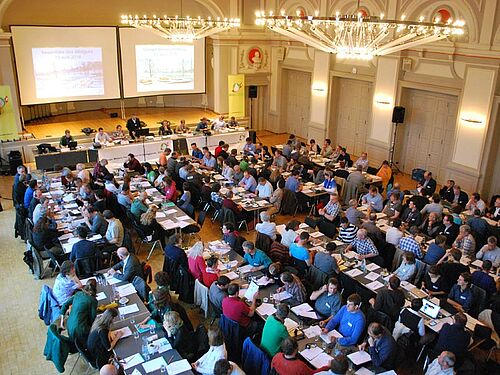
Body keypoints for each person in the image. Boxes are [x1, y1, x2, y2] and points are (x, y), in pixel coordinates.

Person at [59, 280, 98, 347]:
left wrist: (62, 320)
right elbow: (92, 319)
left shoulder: (78, 294)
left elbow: (65, 305)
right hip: (80, 330)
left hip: (69, 325)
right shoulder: (93, 300)